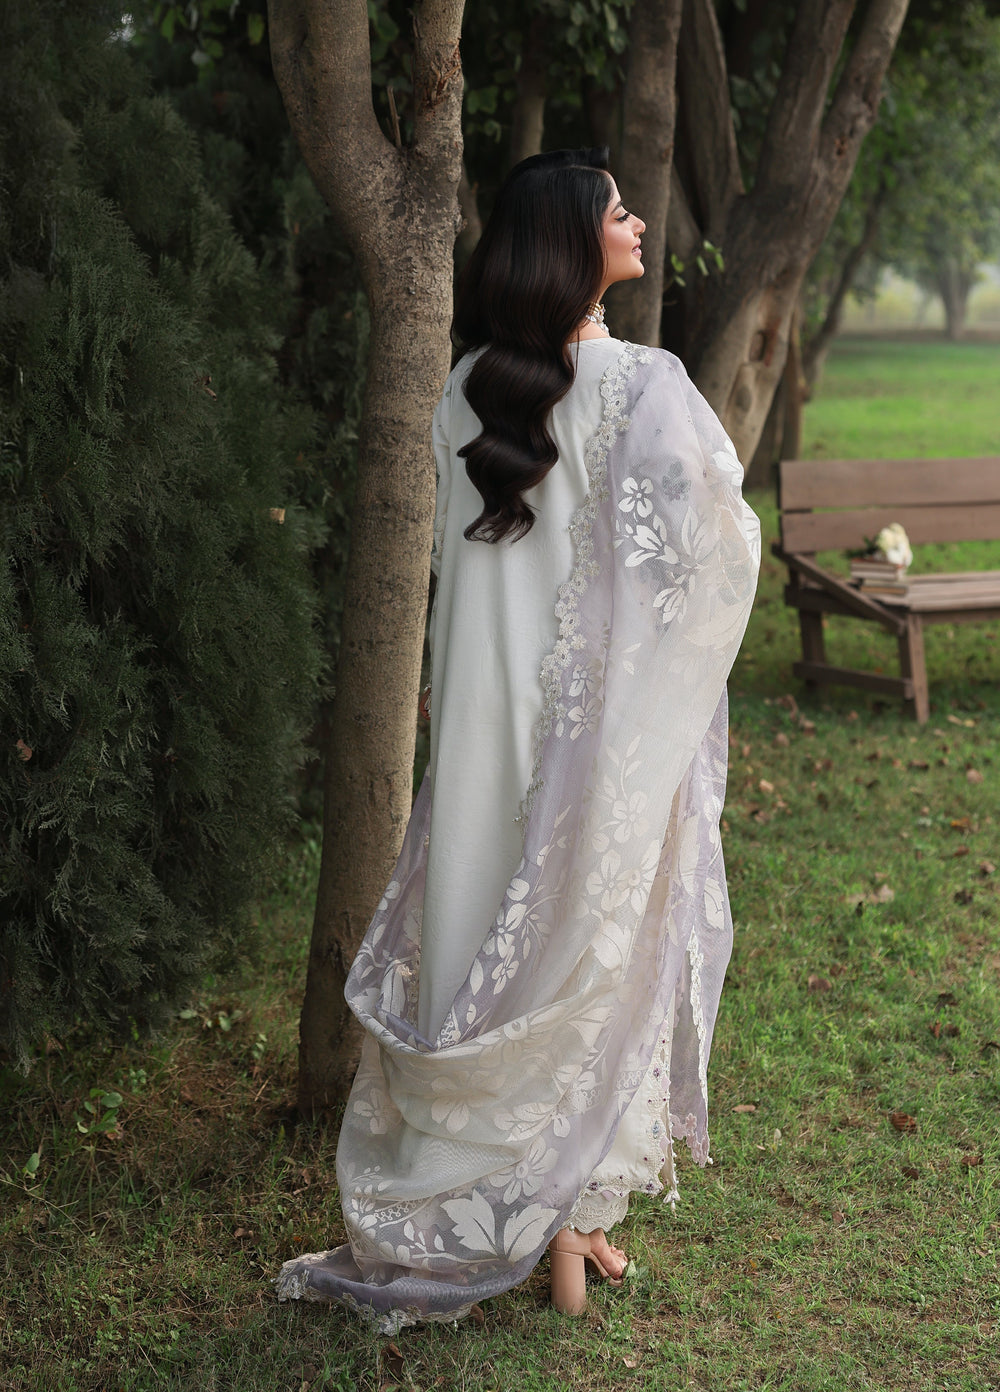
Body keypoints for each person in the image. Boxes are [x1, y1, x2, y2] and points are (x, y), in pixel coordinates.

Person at [276, 148, 760, 1332]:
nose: (635, 222)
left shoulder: (464, 389)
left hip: (485, 725)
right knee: (589, 946)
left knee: (481, 928)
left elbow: (471, 564)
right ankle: (566, 1214)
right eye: (616, 210)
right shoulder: (643, 384)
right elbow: (716, 546)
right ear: (568, 241)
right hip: (594, 735)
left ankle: (544, 1214)